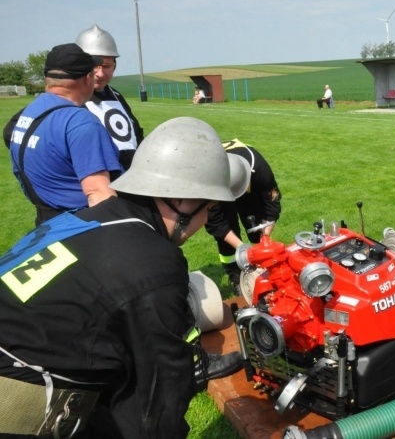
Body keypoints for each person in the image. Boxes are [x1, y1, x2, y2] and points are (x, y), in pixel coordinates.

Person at [0, 117, 247, 437]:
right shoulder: (153, 264)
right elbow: (154, 414)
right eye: (209, 208)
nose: (204, 221)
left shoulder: (88, 219)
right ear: (185, 201)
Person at [6, 43, 122, 226]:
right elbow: (99, 194)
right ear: (87, 79)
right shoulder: (81, 122)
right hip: (80, 225)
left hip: (47, 222)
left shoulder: (30, 112)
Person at [205, 138, 282, 295]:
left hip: (249, 184)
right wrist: (241, 248)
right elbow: (216, 223)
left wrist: (264, 240)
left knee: (257, 229)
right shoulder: (209, 180)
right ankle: (236, 277)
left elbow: (271, 205)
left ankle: (263, 267)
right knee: (227, 236)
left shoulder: (260, 169)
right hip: (220, 189)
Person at [76, 24, 145, 170]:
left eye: (106, 66)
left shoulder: (116, 95)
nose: (100, 74)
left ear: (115, 66)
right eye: (94, 66)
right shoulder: (70, 99)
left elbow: (136, 134)